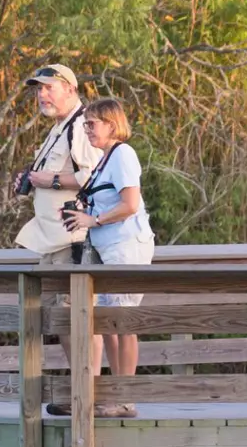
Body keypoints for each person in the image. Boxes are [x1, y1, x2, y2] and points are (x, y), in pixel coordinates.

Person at [56, 96, 154, 417]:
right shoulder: (103, 159)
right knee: (106, 322)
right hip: (105, 250)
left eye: (92, 124)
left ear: (112, 125)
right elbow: (107, 201)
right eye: (85, 125)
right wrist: (82, 212)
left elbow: (130, 204)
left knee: (122, 322)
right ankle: (111, 396)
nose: (87, 130)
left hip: (126, 249)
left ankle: (125, 399)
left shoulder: (123, 154)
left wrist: (93, 220)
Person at [13, 64, 102, 261]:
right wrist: (30, 178)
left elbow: (94, 177)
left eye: (49, 88)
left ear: (70, 89)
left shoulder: (81, 126)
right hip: (51, 239)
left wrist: (53, 180)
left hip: (72, 240)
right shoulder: (60, 126)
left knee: (68, 293)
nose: (42, 95)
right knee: (48, 292)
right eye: (38, 89)